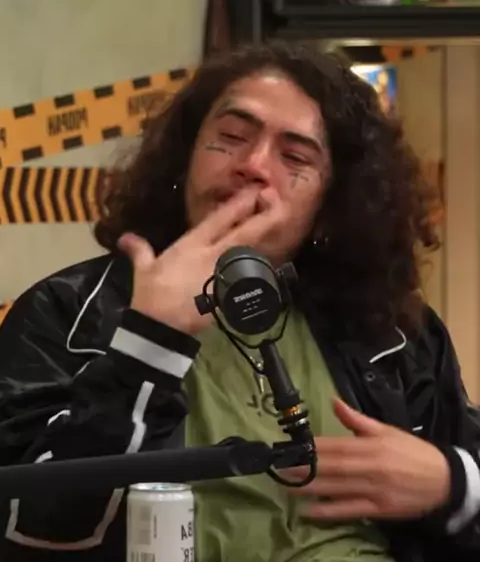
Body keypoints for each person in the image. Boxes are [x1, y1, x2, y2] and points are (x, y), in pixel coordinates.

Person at [0, 42, 478, 562]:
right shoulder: (66, 311)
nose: (252, 165)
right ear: (185, 158)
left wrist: (452, 483)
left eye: (295, 157)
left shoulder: (396, 331)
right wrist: (148, 345)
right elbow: (33, 532)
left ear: (329, 206)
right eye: (230, 137)